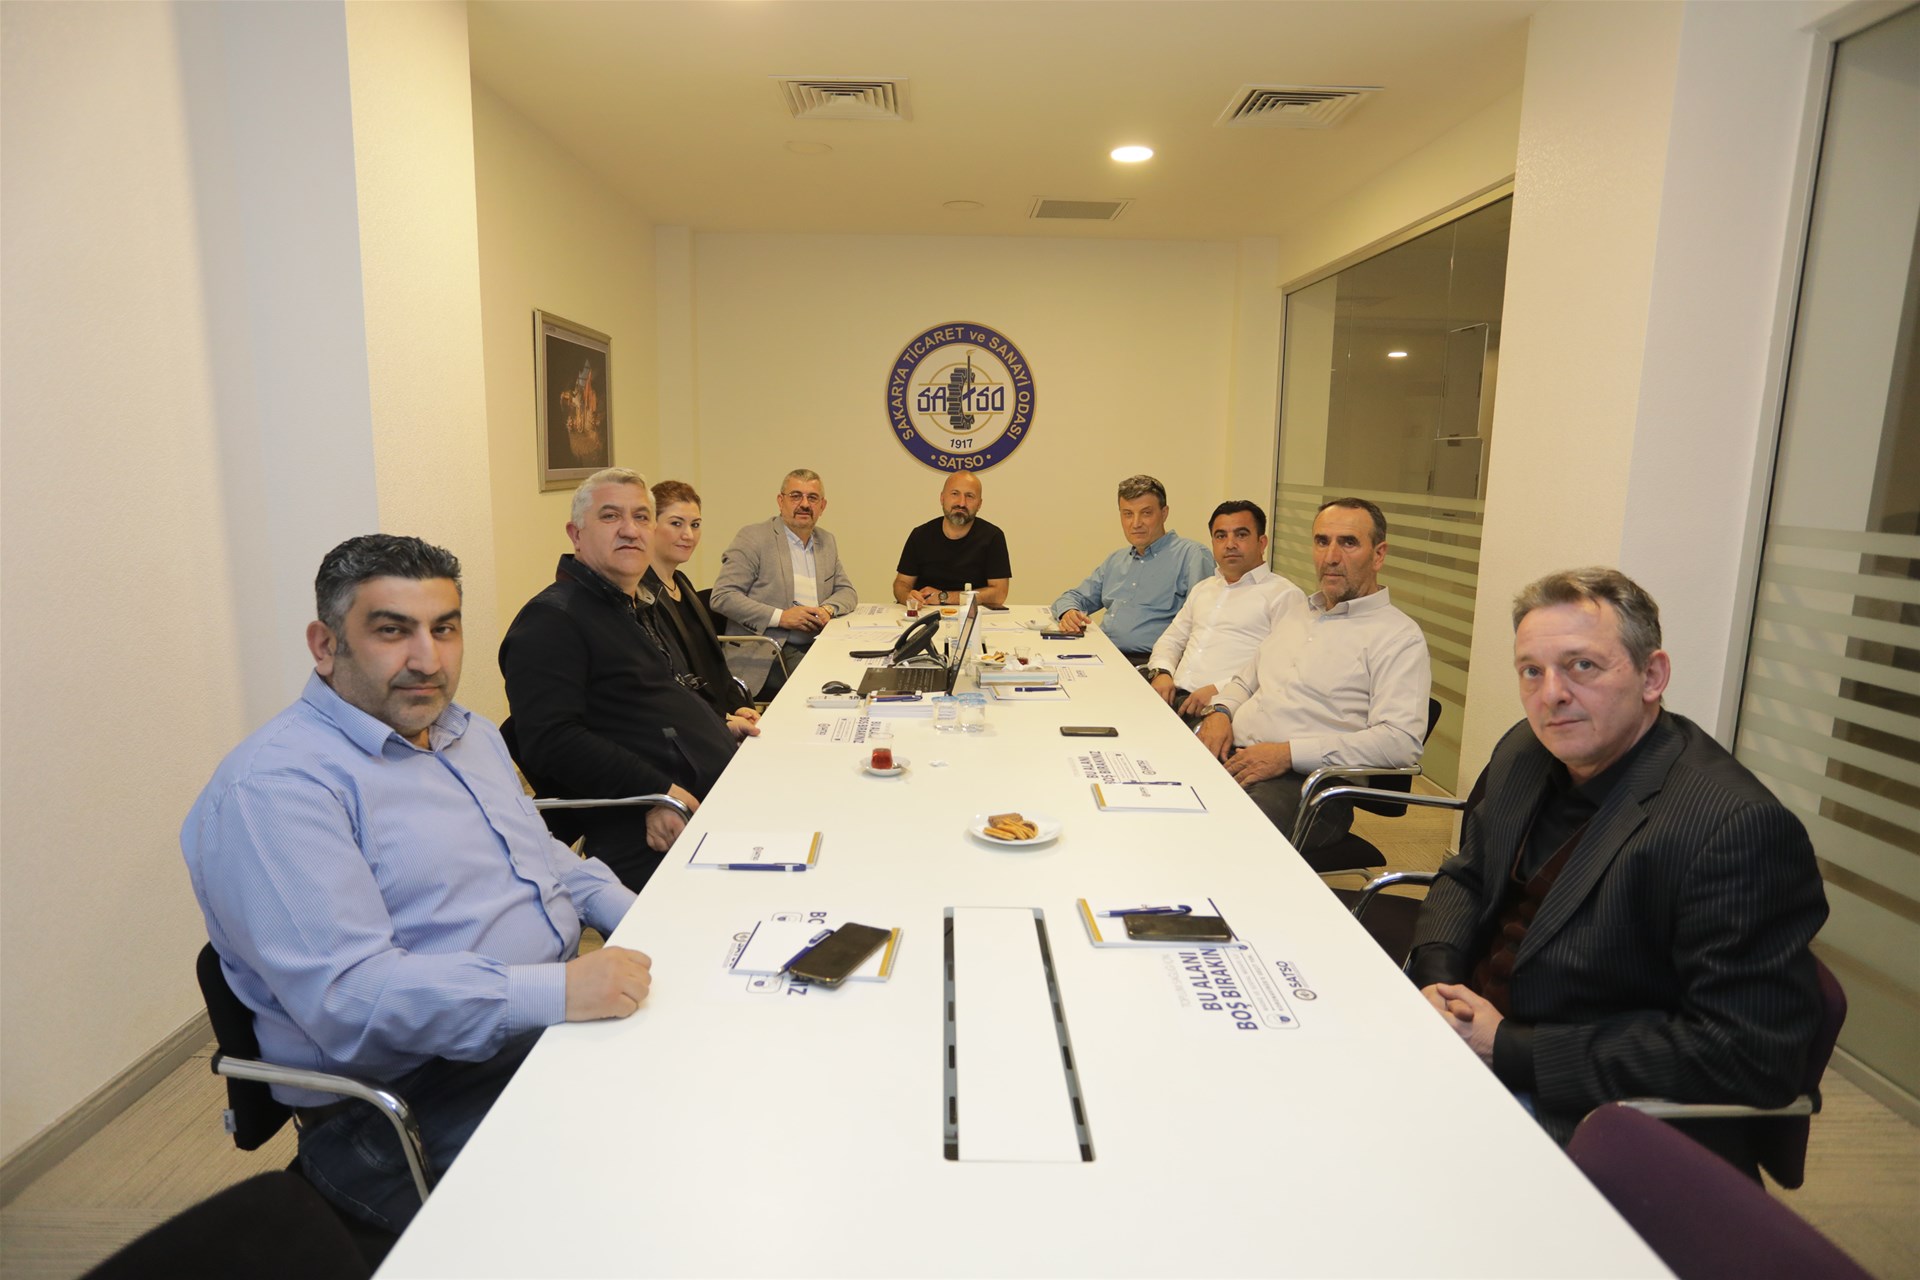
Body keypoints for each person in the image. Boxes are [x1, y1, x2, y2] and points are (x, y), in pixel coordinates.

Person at [181, 534, 654, 1233]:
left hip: (534, 1029)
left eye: (445, 629)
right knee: (635, 1202)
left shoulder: (466, 734)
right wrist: (557, 991)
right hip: (405, 1103)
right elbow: (352, 1000)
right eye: (392, 631)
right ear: (325, 645)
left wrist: (646, 915)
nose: (428, 660)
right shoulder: (276, 790)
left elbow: (543, 857)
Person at [1408, 568, 1828, 1166]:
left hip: (1578, 1109)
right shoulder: (1525, 750)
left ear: (1652, 676)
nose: (1551, 694)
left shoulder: (1733, 827)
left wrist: (1508, 1047)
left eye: (1582, 666)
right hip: (1462, 1038)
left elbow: (1748, 1053)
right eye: (1532, 671)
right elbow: (1468, 875)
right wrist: (1437, 979)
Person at [499, 468, 752, 891]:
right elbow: (551, 740)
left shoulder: (628, 605)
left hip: (703, 799)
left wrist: (719, 726)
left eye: (641, 517)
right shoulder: (552, 620)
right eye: (610, 516)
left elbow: (645, 705)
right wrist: (654, 792)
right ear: (576, 534)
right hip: (649, 826)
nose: (630, 530)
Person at [1197, 497, 1430, 849]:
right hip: (1237, 753)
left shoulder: (1398, 637)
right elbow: (1246, 679)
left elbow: (1400, 742)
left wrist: (1288, 754)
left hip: (1310, 784)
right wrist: (1220, 711)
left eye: (1348, 542)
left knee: (1219, 840)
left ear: (1378, 555)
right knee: (1152, 794)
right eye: (1322, 541)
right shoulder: (1299, 612)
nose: (1331, 556)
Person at [1142, 500, 1301, 721]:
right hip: (1171, 698)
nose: (1230, 544)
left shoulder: (1284, 595)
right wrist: (1161, 671)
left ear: (1262, 542)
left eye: (1241, 535)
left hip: (1222, 710)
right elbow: (1171, 639)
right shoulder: (1204, 588)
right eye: (1221, 536)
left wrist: (1220, 689)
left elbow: (1280, 668)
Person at [709, 468, 858, 698]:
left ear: (822, 506)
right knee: (828, 685)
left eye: (812, 498)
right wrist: (782, 617)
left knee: (856, 671)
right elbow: (723, 597)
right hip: (768, 651)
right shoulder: (753, 538)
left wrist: (827, 609)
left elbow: (847, 591)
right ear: (781, 501)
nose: (804, 504)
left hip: (816, 643)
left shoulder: (826, 541)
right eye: (796, 496)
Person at [1050, 474, 1213, 665]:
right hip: (1103, 654)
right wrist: (1068, 612)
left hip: (1150, 663)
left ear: (1164, 513)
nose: (1135, 523)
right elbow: (1072, 597)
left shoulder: (1192, 555)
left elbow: (1203, 626)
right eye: (1128, 514)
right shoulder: (1116, 560)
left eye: (1146, 513)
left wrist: (1165, 669)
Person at [643, 479, 760, 725]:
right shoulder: (641, 596)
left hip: (716, 716)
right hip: (690, 724)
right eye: (676, 523)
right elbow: (670, 683)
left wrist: (737, 706)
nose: (688, 535)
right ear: (650, 525)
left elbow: (714, 665)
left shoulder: (681, 582)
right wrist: (723, 720)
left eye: (695, 525)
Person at [892, 470, 1012, 607]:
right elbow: (901, 584)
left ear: (979, 504)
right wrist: (907, 596)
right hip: (925, 613)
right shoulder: (920, 535)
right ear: (942, 498)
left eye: (969, 496)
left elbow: (999, 594)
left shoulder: (993, 537)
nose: (961, 503)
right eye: (955, 494)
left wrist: (944, 597)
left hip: (972, 616)